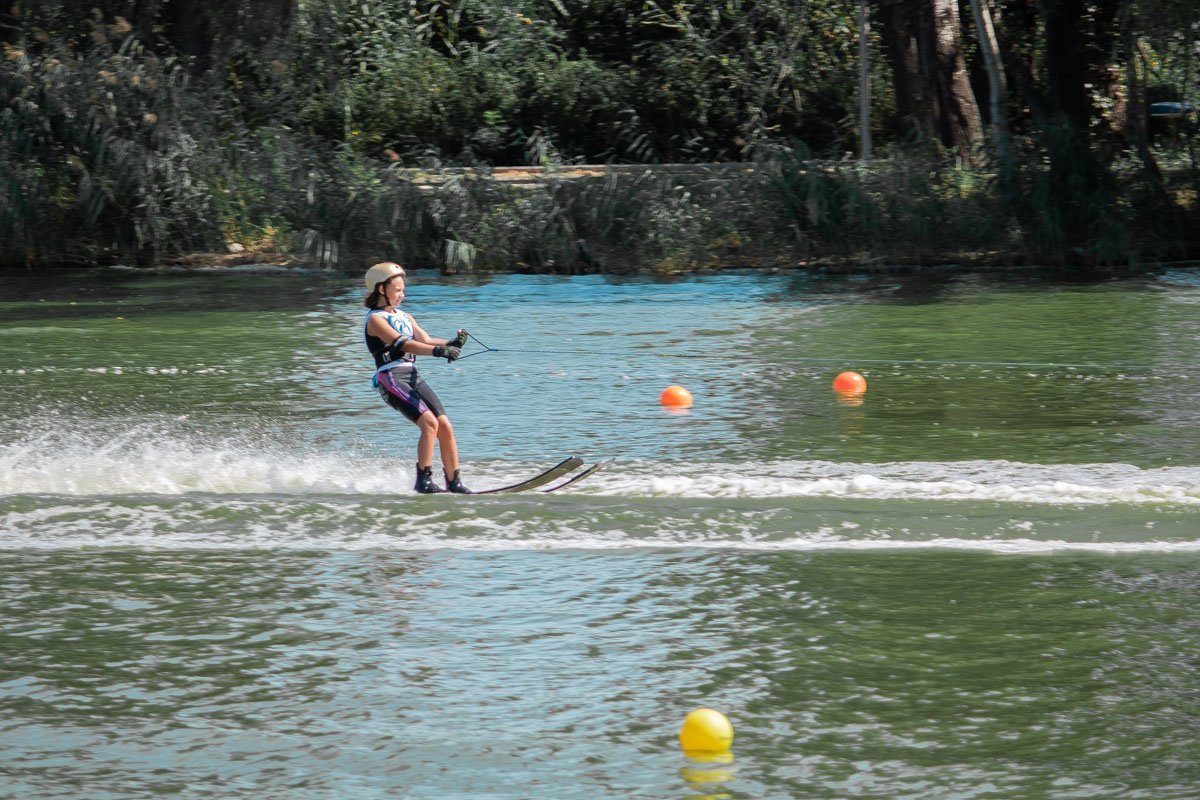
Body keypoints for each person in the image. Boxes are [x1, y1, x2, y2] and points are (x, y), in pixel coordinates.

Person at [362, 262, 472, 494]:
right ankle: (424, 480)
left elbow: (425, 339)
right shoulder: (375, 319)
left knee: (445, 425)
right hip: (391, 377)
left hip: (412, 375)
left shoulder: (405, 316)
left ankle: (455, 482)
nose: (403, 294)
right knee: (429, 423)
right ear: (382, 290)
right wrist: (438, 352)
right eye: (398, 290)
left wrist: (450, 343)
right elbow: (403, 343)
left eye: (403, 290)